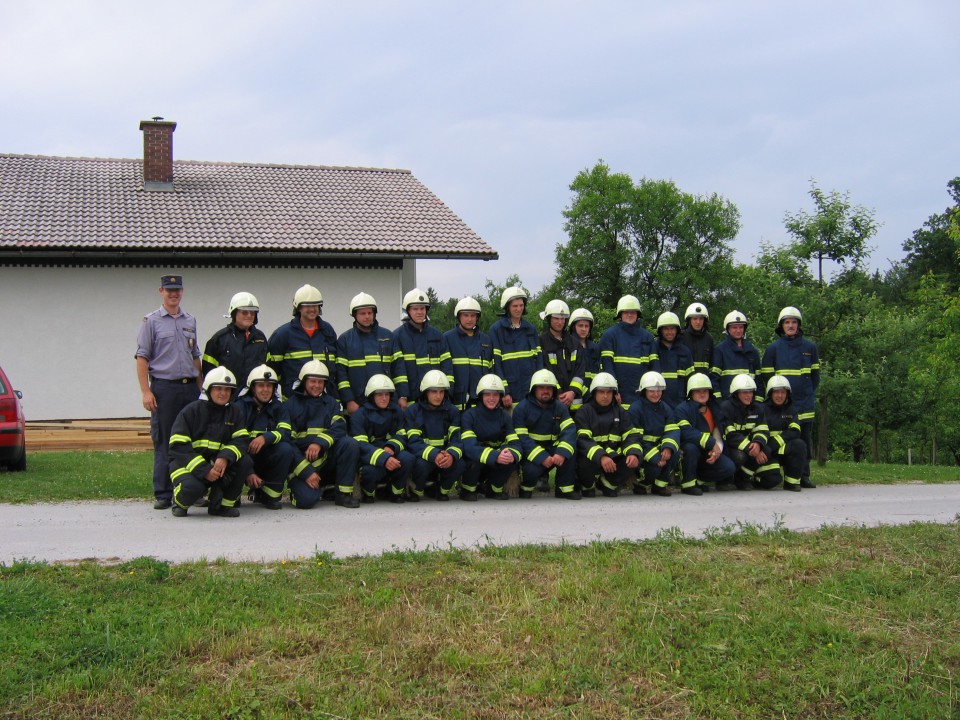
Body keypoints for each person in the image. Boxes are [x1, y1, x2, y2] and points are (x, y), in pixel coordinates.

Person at [135, 274, 202, 510]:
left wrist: (200, 389)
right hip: (164, 388)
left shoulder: (190, 320)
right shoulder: (150, 321)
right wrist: (146, 391)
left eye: (178, 290)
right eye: (169, 290)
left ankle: (191, 488)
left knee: (192, 440)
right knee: (164, 440)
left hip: (189, 388)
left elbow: (195, 357)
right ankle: (163, 493)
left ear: (182, 292)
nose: (174, 294)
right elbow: (142, 357)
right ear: (160, 291)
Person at [168, 367, 249, 518]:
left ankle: (220, 506)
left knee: (245, 461)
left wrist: (225, 456)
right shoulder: (191, 411)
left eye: (227, 389)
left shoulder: (234, 412)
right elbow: (178, 447)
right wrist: (204, 470)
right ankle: (179, 502)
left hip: (217, 466)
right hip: (187, 465)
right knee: (193, 487)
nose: (223, 393)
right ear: (208, 389)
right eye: (218, 388)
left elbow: (242, 440)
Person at [284, 360, 360, 509]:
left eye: (321, 382)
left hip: (325, 460)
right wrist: (306, 472)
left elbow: (340, 426)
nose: (317, 386)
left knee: (349, 443)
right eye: (313, 381)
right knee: (306, 501)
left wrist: (319, 442)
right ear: (304, 381)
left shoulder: (331, 403)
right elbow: (288, 443)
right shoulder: (290, 405)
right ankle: (301, 492)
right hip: (301, 464)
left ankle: (343, 494)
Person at [761, 306, 820, 489]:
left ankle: (804, 476)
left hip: (804, 403)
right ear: (781, 325)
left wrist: (807, 392)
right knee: (784, 439)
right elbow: (767, 378)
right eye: (787, 322)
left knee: (804, 441)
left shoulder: (810, 347)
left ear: (799, 325)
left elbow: (815, 377)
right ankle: (781, 473)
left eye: (794, 322)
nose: (791, 325)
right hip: (781, 406)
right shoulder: (773, 349)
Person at [512, 369, 578, 499]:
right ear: (533, 389)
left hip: (553, 450)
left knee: (570, 451)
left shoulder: (560, 407)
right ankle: (526, 488)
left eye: (549, 387)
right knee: (530, 471)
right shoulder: (521, 408)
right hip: (532, 453)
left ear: (554, 390)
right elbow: (522, 438)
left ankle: (564, 489)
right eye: (541, 387)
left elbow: (569, 431)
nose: (545, 391)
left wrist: (561, 452)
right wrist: (541, 456)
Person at [236, 364, 294, 510]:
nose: (266, 390)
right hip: (243, 457)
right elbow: (234, 439)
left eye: (269, 386)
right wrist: (248, 471)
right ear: (252, 388)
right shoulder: (239, 407)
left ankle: (269, 495)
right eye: (261, 385)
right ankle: (233, 493)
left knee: (285, 449)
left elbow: (286, 432)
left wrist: (265, 438)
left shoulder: (279, 408)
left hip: (266, 457)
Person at [575, 372, 643, 497]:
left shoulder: (620, 412)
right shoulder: (584, 412)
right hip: (592, 459)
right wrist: (601, 456)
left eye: (609, 392)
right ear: (594, 393)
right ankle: (587, 485)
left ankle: (608, 484)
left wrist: (633, 453)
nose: (605, 396)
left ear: (614, 394)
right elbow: (583, 440)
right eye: (601, 392)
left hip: (613, 457)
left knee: (634, 458)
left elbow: (631, 435)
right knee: (586, 463)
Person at [267, 284, 338, 400]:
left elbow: (335, 364)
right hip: (294, 399)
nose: (312, 309)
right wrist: (289, 385)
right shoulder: (282, 334)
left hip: (324, 400)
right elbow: (273, 369)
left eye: (316, 305)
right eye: (307, 305)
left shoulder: (327, 331)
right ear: (298, 308)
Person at [351, 374, 415, 503]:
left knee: (407, 458)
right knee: (370, 471)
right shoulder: (360, 415)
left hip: (391, 451)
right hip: (371, 456)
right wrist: (383, 458)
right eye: (380, 394)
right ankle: (368, 493)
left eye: (387, 394)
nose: (384, 398)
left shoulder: (395, 411)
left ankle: (395, 492)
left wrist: (392, 446)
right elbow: (361, 445)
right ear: (371, 395)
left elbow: (402, 434)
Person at [404, 370, 466, 501]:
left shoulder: (452, 411)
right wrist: (434, 454)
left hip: (444, 458)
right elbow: (413, 442)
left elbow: (457, 439)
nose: (438, 396)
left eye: (441, 392)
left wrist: (451, 455)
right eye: (434, 391)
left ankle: (441, 490)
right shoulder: (413, 411)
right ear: (425, 392)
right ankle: (416, 490)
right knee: (421, 464)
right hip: (424, 458)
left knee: (459, 463)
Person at [336, 292, 400, 415]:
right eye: (362, 313)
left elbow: (398, 368)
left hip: (386, 403)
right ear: (354, 315)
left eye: (370, 313)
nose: (367, 316)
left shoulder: (388, 336)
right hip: (358, 405)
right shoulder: (345, 340)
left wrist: (402, 396)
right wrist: (349, 400)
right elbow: (341, 374)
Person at [674, 373, 737, 495]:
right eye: (698, 391)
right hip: (689, 452)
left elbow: (718, 431)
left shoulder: (714, 408)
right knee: (690, 448)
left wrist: (717, 450)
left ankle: (699, 480)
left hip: (707, 451)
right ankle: (688, 484)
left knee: (729, 467)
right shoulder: (682, 409)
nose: (702, 394)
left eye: (705, 391)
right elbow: (686, 433)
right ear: (690, 393)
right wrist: (711, 443)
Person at [460, 374, 522, 500]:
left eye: (495, 395)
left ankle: (493, 489)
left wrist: (511, 454)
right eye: (487, 394)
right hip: (477, 461)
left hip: (496, 460)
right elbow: (469, 447)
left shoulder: (504, 416)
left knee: (511, 460)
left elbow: (516, 444)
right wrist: (495, 456)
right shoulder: (470, 415)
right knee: (472, 461)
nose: (492, 398)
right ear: (480, 395)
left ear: (500, 396)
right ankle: (467, 490)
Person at [202, 292, 268, 397]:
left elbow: (267, 367)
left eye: (252, 313)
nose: (249, 316)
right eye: (244, 312)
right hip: (229, 399)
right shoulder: (220, 339)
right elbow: (209, 373)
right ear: (234, 313)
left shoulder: (261, 338)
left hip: (254, 400)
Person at [598, 295, 659, 406]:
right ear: (620, 314)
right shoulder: (610, 335)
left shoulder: (647, 337)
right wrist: (613, 390)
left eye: (633, 312)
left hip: (643, 398)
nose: (630, 315)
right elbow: (607, 366)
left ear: (638, 314)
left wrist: (653, 392)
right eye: (626, 312)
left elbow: (654, 369)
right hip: (617, 397)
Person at [627, 371, 680, 497]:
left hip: (660, 448)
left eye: (659, 390)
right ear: (644, 391)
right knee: (655, 466)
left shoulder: (665, 408)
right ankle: (641, 484)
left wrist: (668, 447)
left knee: (674, 452)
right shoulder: (635, 409)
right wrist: (654, 455)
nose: (656, 394)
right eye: (652, 391)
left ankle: (659, 486)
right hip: (643, 450)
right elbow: (635, 438)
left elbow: (672, 430)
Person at [488, 286, 542, 409]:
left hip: (530, 392)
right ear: (507, 307)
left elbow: (539, 361)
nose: (519, 309)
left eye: (521, 305)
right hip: (510, 395)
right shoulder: (496, 330)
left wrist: (538, 387)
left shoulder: (530, 329)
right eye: (515, 306)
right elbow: (496, 364)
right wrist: (504, 391)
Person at [393, 288, 447, 410]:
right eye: (415, 309)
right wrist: (402, 395)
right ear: (408, 311)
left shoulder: (437, 336)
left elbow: (446, 366)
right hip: (410, 399)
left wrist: (447, 391)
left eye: (422, 308)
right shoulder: (397, 336)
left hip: (434, 399)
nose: (419, 312)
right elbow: (397, 369)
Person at [441, 297, 494, 411]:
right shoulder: (447, 338)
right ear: (459, 316)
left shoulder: (486, 340)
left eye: (473, 315)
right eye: (466, 315)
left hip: (481, 402)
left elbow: (491, 370)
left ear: (477, 317)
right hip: (455, 401)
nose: (469, 319)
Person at [717, 374, 768, 491]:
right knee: (739, 456)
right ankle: (724, 480)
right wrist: (751, 448)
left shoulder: (758, 408)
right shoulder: (726, 408)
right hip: (730, 447)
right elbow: (729, 434)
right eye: (744, 392)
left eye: (750, 392)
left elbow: (763, 429)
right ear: (736, 393)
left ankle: (743, 479)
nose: (748, 395)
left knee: (767, 450)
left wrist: (758, 444)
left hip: (749, 445)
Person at [757, 375, 808, 491]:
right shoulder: (761, 409)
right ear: (770, 393)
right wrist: (762, 448)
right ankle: (756, 479)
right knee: (773, 480)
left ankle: (791, 482)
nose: (779, 396)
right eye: (776, 392)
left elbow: (795, 431)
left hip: (777, 448)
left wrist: (773, 444)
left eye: (783, 392)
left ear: (787, 394)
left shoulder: (791, 410)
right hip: (765, 453)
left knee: (799, 445)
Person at [538, 300, 585, 409]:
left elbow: (580, 371)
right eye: (556, 318)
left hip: (575, 406)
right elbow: (544, 369)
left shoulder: (575, 343)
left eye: (563, 319)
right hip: (552, 402)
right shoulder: (541, 342)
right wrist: (557, 392)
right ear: (549, 319)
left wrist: (572, 392)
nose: (560, 322)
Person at [710, 310, 762, 401]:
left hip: (749, 404)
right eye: (734, 327)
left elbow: (759, 381)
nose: (738, 330)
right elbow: (714, 379)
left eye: (741, 327)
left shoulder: (752, 351)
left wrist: (758, 402)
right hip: (728, 404)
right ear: (728, 329)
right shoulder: (720, 350)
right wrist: (719, 403)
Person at [654, 311, 695, 407]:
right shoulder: (653, 349)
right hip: (657, 402)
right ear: (660, 331)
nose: (670, 332)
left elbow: (690, 379)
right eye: (666, 329)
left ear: (677, 330)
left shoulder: (685, 351)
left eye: (672, 328)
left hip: (680, 402)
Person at [567, 307, 601, 413]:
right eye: (580, 325)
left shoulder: (594, 348)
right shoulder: (567, 346)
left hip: (592, 396)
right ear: (573, 327)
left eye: (586, 326)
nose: (584, 329)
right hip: (574, 396)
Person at [677, 302, 714, 374]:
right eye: (695, 319)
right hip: (685, 382)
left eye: (701, 319)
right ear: (689, 320)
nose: (698, 322)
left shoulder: (709, 339)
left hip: (704, 382)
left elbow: (712, 365)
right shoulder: (680, 337)